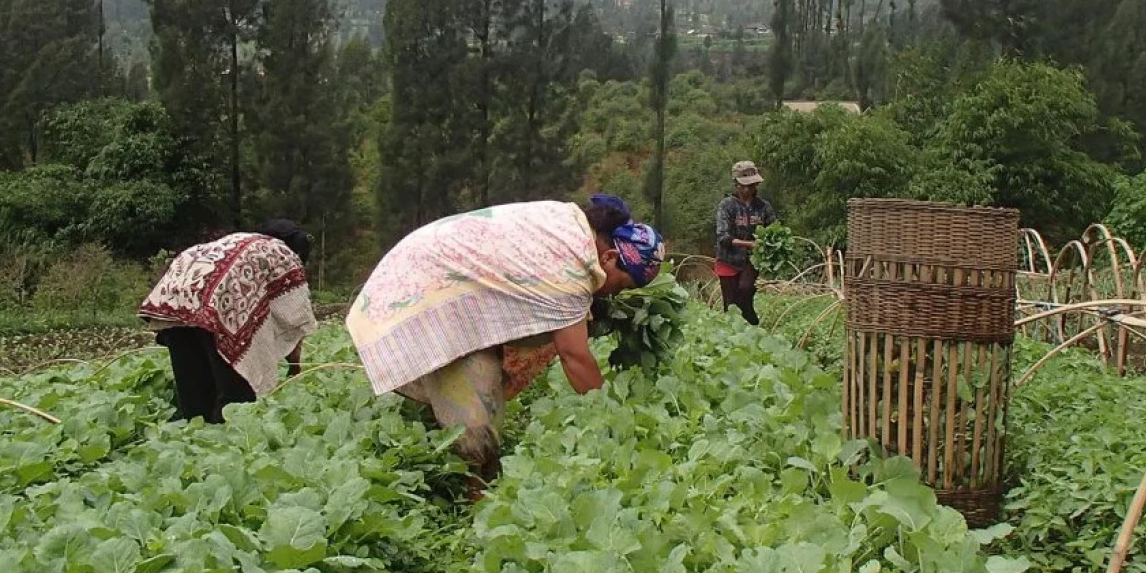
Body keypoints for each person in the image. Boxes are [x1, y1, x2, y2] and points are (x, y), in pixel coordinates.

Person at [346, 198, 663, 495]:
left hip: (434, 269)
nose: (614, 295)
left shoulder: (572, 229)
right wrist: (613, 424)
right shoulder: (572, 267)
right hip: (423, 283)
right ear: (608, 258)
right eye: (621, 285)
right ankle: (469, 496)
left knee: (478, 390)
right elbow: (575, 357)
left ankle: (454, 457)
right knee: (475, 423)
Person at [138, 219, 319, 424]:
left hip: (176, 298)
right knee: (237, 399)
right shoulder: (283, 253)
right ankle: (226, 440)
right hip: (218, 305)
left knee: (195, 394)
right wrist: (294, 367)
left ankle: (194, 440)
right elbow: (295, 316)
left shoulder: (238, 242)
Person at [714, 160, 776, 326]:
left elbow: (774, 231)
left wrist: (767, 245)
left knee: (745, 290)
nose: (749, 189)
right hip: (728, 259)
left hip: (752, 260)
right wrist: (749, 244)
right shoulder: (726, 206)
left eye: (752, 185)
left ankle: (753, 325)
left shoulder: (763, 207)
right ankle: (733, 336)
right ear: (736, 185)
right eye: (744, 186)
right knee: (730, 303)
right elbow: (723, 237)